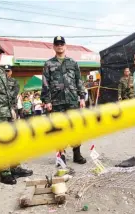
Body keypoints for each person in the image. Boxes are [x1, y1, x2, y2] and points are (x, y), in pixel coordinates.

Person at [0, 43, 33, 185]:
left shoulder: (1, 71)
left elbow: (8, 93)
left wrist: (12, 110)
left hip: (8, 112)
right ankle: (5, 173)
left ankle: (15, 167)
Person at [41, 36, 87, 165]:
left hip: (72, 100)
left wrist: (82, 97)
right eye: (57, 44)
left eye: (62, 44)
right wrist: (47, 100)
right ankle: (61, 157)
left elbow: (79, 81)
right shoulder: (48, 64)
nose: (59, 46)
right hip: (56, 102)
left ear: (65, 46)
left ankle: (77, 155)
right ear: (54, 47)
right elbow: (45, 83)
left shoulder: (73, 62)